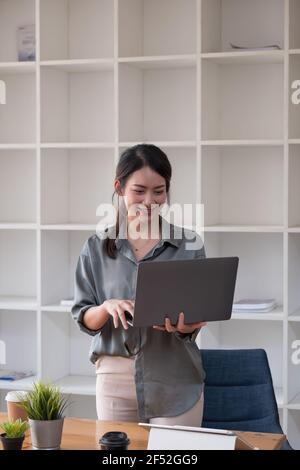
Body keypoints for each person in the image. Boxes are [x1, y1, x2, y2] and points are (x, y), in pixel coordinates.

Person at [71, 143, 207, 425]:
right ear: (119, 187)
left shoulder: (189, 245)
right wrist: (107, 307)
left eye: (159, 191)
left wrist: (187, 327)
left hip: (175, 378)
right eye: (139, 191)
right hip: (114, 379)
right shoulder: (96, 248)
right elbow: (83, 316)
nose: (149, 201)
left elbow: (197, 313)